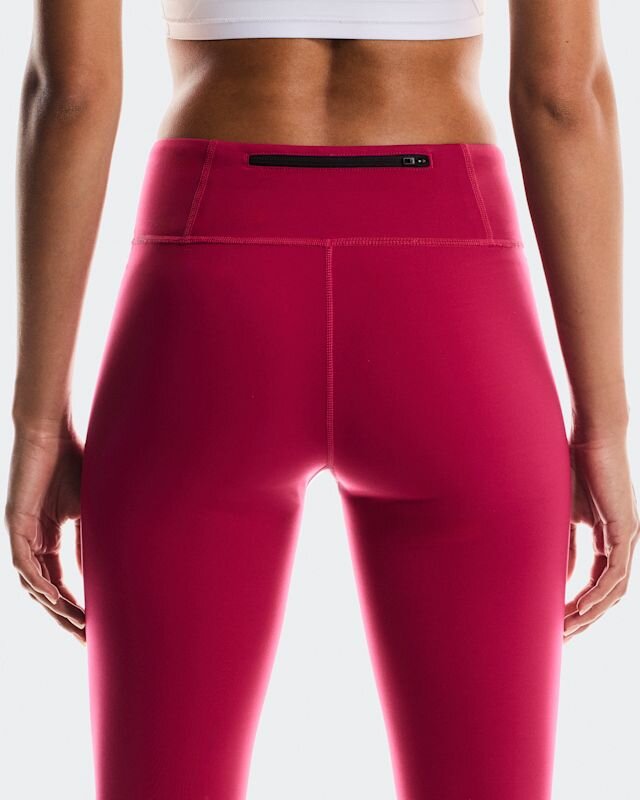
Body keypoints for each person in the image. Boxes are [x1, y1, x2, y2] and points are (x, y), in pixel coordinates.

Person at [4, 1, 638, 798]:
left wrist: (37, 424)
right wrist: (604, 426)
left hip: (210, 285)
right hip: (447, 292)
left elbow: (71, 93)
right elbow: (562, 96)